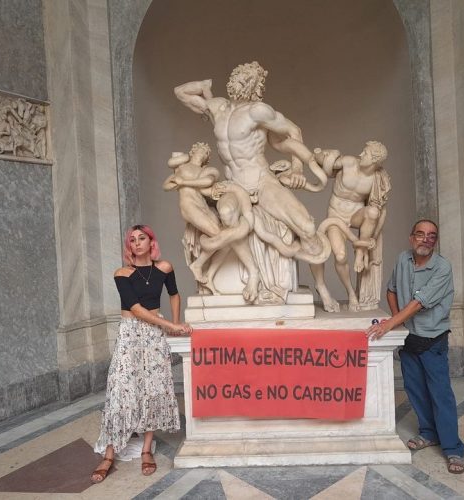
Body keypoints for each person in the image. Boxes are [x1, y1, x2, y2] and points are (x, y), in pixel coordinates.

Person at [174, 62, 330, 302]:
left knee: (307, 227)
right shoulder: (217, 108)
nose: (240, 81)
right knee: (227, 215)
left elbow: (294, 131)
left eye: (247, 79)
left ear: (256, 86)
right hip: (234, 185)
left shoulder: (258, 111)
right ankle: (253, 274)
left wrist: (297, 169)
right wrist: (204, 86)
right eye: (238, 75)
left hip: (261, 181)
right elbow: (180, 92)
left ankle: (322, 286)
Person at [91, 224, 192, 483]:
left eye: (141, 238)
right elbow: (136, 309)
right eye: (132, 240)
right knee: (119, 391)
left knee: (152, 389)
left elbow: (174, 294)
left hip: (154, 334)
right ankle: (109, 454)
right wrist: (171, 326)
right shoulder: (122, 273)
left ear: (151, 242)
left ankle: (147, 450)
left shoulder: (164, 268)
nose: (136, 243)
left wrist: (174, 324)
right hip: (130, 334)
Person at [366, 219, 464, 474]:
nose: (426, 239)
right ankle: (428, 433)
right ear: (412, 238)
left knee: (440, 394)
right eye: (420, 234)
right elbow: (391, 290)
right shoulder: (403, 259)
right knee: (415, 389)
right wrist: (398, 322)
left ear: (435, 241)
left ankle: (453, 448)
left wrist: (390, 324)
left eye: (431, 236)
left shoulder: (442, 267)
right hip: (409, 338)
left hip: (433, 340)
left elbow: (418, 304)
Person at [163, 142, 257, 296]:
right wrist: (178, 181)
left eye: (206, 153)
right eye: (201, 150)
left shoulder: (207, 171)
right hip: (189, 205)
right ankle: (198, 265)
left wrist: (184, 182)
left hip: (202, 206)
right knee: (222, 236)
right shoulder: (182, 168)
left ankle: (208, 275)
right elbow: (166, 185)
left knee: (225, 239)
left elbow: (208, 182)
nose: (203, 153)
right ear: (193, 151)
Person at [311, 141, 390, 312]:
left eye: (366, 153)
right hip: (335, 216)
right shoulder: (349, 162)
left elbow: (381, 211)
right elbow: (321, 161)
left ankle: (360, 252)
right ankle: (351, 292)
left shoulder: (377, 179)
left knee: (373, 212)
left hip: (355, 216)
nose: (361, 154)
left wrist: (373, 238)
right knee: (340, 256)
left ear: (375, 160)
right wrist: (325, 154)